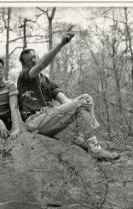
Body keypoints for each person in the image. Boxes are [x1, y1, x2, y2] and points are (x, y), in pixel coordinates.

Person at [17, 32, 119, 161]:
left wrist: (80, 106)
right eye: (29, 60)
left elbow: (65, 101)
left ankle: (81, 138)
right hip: (34, 121)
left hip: (49, 120)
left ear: (37, 57)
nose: (33, 61)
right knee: (80, 103)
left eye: (34, 57)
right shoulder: (24, 76)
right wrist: (60, 44)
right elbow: (41, 65)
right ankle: (94, 148)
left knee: (86, 98)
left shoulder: (46, 81)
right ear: (24, 65)